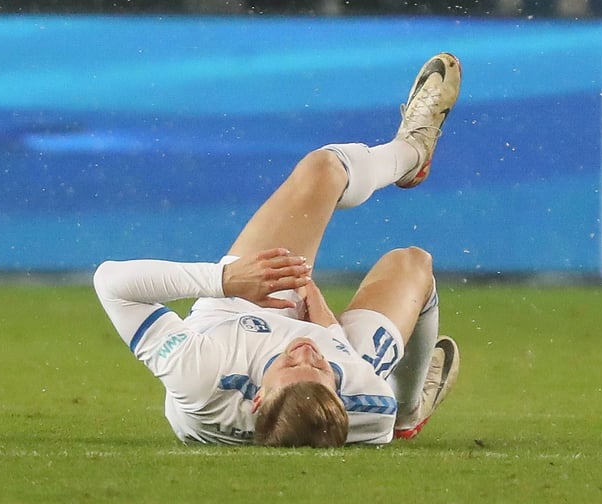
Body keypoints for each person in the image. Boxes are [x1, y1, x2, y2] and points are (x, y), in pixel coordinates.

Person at [94, 53, 463, 447]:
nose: (304, 351)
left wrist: (224, 280)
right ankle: (409, 411)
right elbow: (332, 367)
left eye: (290, 364)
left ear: (257, 398)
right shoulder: (367, 403)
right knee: (412, 263)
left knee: (323, 169)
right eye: (320, 368)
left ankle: (411, 151)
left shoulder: (201, 373)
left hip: (235, 314)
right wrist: (329, 333)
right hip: (339, 362)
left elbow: (111, 284)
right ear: (339, 395)